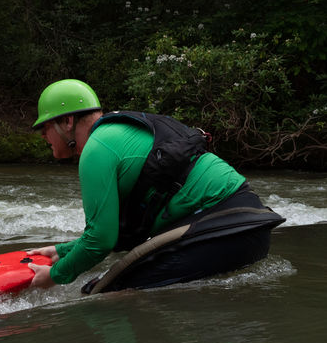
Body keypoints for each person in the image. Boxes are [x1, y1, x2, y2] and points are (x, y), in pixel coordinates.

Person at [26, 79, 284, 291]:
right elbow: (111, 236)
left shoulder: (96, 149)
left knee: (106, 293)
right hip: (251, 225)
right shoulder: (119, 132)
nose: (42, 135)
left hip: (220, 230)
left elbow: (99, 241)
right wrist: (63, 250)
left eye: (45, 126)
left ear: (68, 122)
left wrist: (54, 276)